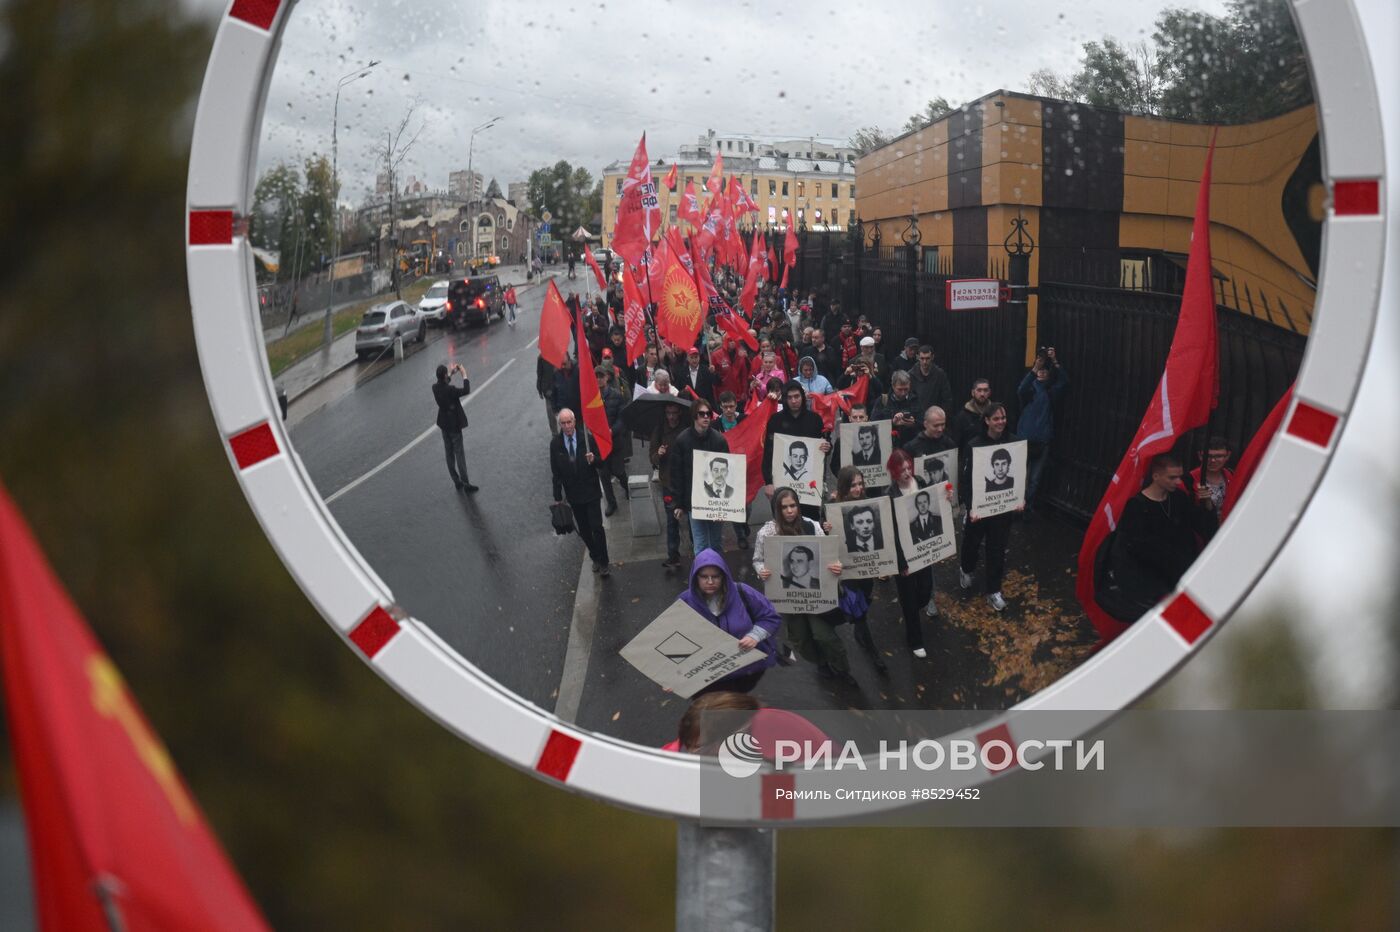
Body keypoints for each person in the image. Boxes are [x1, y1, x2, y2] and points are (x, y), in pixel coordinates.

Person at [753, 488, 854, 685]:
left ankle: (842, 670)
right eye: (784, 507)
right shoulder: (767, 533)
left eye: (793, 506)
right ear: (777, 509)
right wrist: (761, 570)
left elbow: (830, 555)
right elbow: (758, 559)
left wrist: (836, 566)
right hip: (789, 598)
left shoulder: (812, 526)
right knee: (801, 638)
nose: (790, 511)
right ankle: (821, 662)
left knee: (824, 636)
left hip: (816, 595)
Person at [1104, 453, 1219, 619]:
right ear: (1156, 476)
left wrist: (1207, 503)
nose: (1178, 482)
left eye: (1179, 477)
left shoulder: (1179, 498)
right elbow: (1135, 547)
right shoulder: (1137, 506)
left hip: (1178, 575)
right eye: (1172, 478)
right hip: (1150, 583)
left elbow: (1202, 526)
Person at [678, 549, 783, 695]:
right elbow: (676, 639)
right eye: (704, 577)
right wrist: (674, 677)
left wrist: (755, 636)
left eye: (715, 576)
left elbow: (770, 616)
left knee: (738, 701)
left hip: (746, 670)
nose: (710, 582)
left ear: (724, 576)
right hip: (708, 675)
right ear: (695, 577)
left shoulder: (743, 592)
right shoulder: (684, 601)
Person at [959, 403, 1020, 612]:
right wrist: (970, 507)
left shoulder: (1014, 443)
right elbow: (965, 480)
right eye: (996, 418)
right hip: (979, 509)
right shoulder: (973, 445)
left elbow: (1019, 474)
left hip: (1002, 510)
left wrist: (1019, 498)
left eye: (1003, 418)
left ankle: (994, 590)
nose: (1001, 422)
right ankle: (966, 569)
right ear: (986, 421)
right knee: (972, 543)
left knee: (997, 549)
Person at [886, 449, 946, 655]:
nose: (907, 472)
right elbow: (891, 532)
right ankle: (915, 640)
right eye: (902, 469)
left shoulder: (920, 481)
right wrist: (901, 564)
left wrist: (947, 495)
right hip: (903, 556)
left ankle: (915, 613)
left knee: (924, 591)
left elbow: (935, 502)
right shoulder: (890, 494)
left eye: (909, 467)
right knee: (909, 600)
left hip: (922, 552)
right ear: (894, 472)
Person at [831, 466, 889, 676]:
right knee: (860, 610)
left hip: (867, 570)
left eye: (860, 484)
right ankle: (873, 652)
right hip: (848, 572)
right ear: (844, 486)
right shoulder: (832, 508)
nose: (857, 488)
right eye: (853, 484)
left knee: (864, 600)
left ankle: (857, 628)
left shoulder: (870, 504)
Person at [550, 409, 610, 577]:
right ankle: (595, 556)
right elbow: (556, 472)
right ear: (560, 425)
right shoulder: (556, 444)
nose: (567, 426)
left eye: (569, 422)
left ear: (575, 422)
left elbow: (602, 463)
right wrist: (557, 497)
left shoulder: (587, 439)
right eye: (563, 423)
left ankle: (604, 561)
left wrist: (594, 460)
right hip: (574, 494)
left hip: (590, 491)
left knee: (596, 527)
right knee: (584, 529)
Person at [668, 400, 732, 556]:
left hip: (715, 500)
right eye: (701, 414)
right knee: (700, 543)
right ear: (694, 416)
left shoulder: (719, 440)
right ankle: (701, 578)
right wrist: (678, 503)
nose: (706, 417)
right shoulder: (682, 440)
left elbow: (728, 472)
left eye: (708, 414)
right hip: (693, 500)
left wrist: (724, 505)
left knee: (716, 543)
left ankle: (718, 577)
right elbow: (677, 474)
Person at [762, 380, 830, 514]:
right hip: (782, 483)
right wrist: (768, 482)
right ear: (785, 399)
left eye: (797, 396)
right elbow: (768, 453)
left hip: (809, 485)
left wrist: (827, 447)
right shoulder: (775, 421)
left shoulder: (815, 420)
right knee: (784, 522)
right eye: (790, 397)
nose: (793, 401)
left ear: (802, 397)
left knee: (810, 522)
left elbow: (823, 448)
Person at [1016, 347, 1069, 510]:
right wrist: (1035, 368)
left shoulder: (1051, 390)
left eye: (1045, 370)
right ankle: (1016, 506)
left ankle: (1027, 508)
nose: (1042, 372)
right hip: (1024, 439)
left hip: (1042, 440)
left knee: (1034, 479)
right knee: (1020, 477)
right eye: (1040, 369)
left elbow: (1065, 381)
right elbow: (1020, 390)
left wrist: (1054, 361)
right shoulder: (1030, 388)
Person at [651, 402, 688, 568]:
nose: (671, 416)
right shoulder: (659, 429)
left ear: (679, 412)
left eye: (674, 413)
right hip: (669, 482)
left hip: (687, 481)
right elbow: (652, 458)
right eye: (668, 413)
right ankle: (673, 554)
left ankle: (699, 551)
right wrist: (658, 454)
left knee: (693, 519)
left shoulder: (687, 428)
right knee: (671, 519)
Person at [432, 363, 478, 492]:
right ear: (444, 375)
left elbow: (443, 383)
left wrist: (452, 373)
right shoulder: (450, 390)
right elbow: (466, 390)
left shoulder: (435, 387)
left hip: (443, 424)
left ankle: (456, 481)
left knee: (449, 453)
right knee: (459, 454)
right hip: (454, 425)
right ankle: (466, 483)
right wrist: (464, 375)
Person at [596, 365, 629, 515]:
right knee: (604, 474)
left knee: (618, 470)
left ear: (607, 377)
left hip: (615, 442)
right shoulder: (591, 397)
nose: (599, 380)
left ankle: (627, 487)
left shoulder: (616, 395)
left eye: (601, 376)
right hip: (599, 443)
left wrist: (612, 430)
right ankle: (611, 503)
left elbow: (622, 419)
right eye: (596, 377)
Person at [1184, 436, 1234, 516]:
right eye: (1208, 456)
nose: (1213, 460)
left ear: (1227, 456)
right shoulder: (1188, 480)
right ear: (1200, 455)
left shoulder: (1233, 476)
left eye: (1218, 456)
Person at [872, 370, 922, 447]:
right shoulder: (883, 401)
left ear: (909, 385)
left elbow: (923, 424)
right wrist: (892, 423)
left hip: (910, 446)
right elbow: (873, 425)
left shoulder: (915, 400)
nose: (903, 393)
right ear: (893, 386)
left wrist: (913, 424)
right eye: (900, 389)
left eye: (906, 389)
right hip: (888, 446)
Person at [908, 345, 955, 417]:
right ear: (918, 357)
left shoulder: (940, 374)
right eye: (922, 358)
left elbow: (946, 398)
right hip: (917, 417)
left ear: (932, 357)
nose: (925, 362)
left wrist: (941, 415)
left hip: (935, 417)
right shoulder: (911, 375)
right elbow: (909, 398)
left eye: (927, 358)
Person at [952, 378, 994, 449]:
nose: (982, 394)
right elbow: (956, 443)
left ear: (989, 392)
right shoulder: (962, 417)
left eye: (985, 390)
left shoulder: (995, 414)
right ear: (972, 392)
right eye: (979, 390)